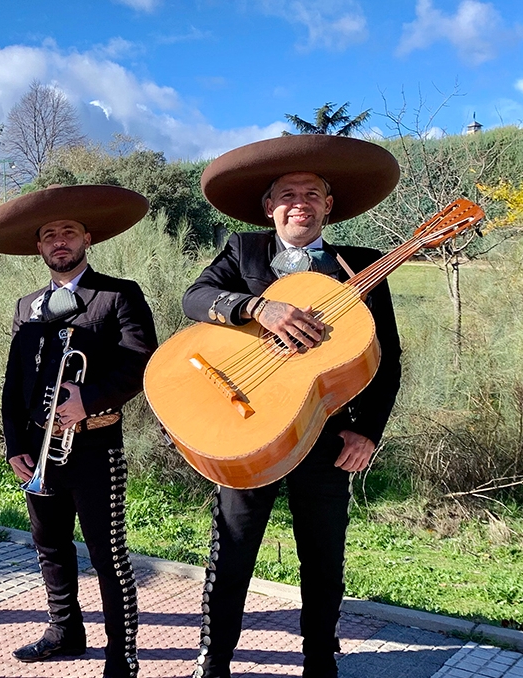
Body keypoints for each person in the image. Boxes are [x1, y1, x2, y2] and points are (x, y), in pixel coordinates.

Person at [182, 134, 403, 678]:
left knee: (323, 558)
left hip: (327, 433)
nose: (298, 202)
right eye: (286, 193)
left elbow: (387, 359)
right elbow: (195, 299)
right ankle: (214, 659)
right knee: (231, 552)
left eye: (311, 193)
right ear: (269, 207)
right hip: (247, 425)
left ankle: (319, 659)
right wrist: (259, 307)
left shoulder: (366, 266)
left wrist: (367, 432)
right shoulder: (243, 251)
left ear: (329, 206)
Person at [0, 184, 158, 678]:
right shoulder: (26, 305)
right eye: (49, 234)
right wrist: (14, 443)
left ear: (87, 239)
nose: (59, 241)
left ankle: (123, 653)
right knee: (49, 545)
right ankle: (63, 630)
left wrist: (87, 399)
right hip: (39, 447)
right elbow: (13, 382)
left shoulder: (118, 294)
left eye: (68, 232)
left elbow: (142, 363)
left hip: (95, 444)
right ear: (38, 247)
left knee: (107, 553)